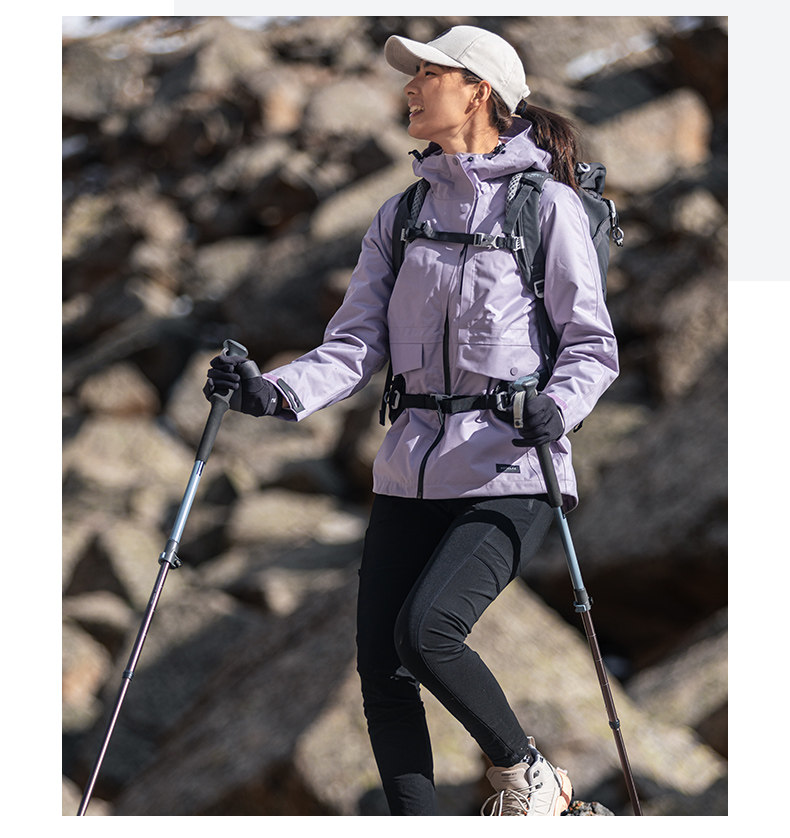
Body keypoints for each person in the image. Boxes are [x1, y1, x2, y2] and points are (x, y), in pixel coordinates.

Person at [204, 24, 618, 817]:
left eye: (429, 73)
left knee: (426, 632)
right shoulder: (399, 215)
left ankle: (528, 775)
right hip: (408, 475)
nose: (410, 87)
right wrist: (273, 393)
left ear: (479, 91)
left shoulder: (548, 208)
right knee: (382, 674)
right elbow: (356, 343)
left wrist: (556, 407)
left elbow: (591, 348)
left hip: (512, 471)